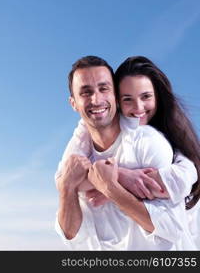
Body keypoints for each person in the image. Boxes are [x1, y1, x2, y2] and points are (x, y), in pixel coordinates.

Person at [55, 55, 198, 250]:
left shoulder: (151, 141)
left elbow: (172, 229)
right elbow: (72, 238)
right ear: (73, 103)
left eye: (103, 88)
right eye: (86, 92)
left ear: (114, 96)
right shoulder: (80, 147)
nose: (96, 99)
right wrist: (67, 186)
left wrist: (111, 188)